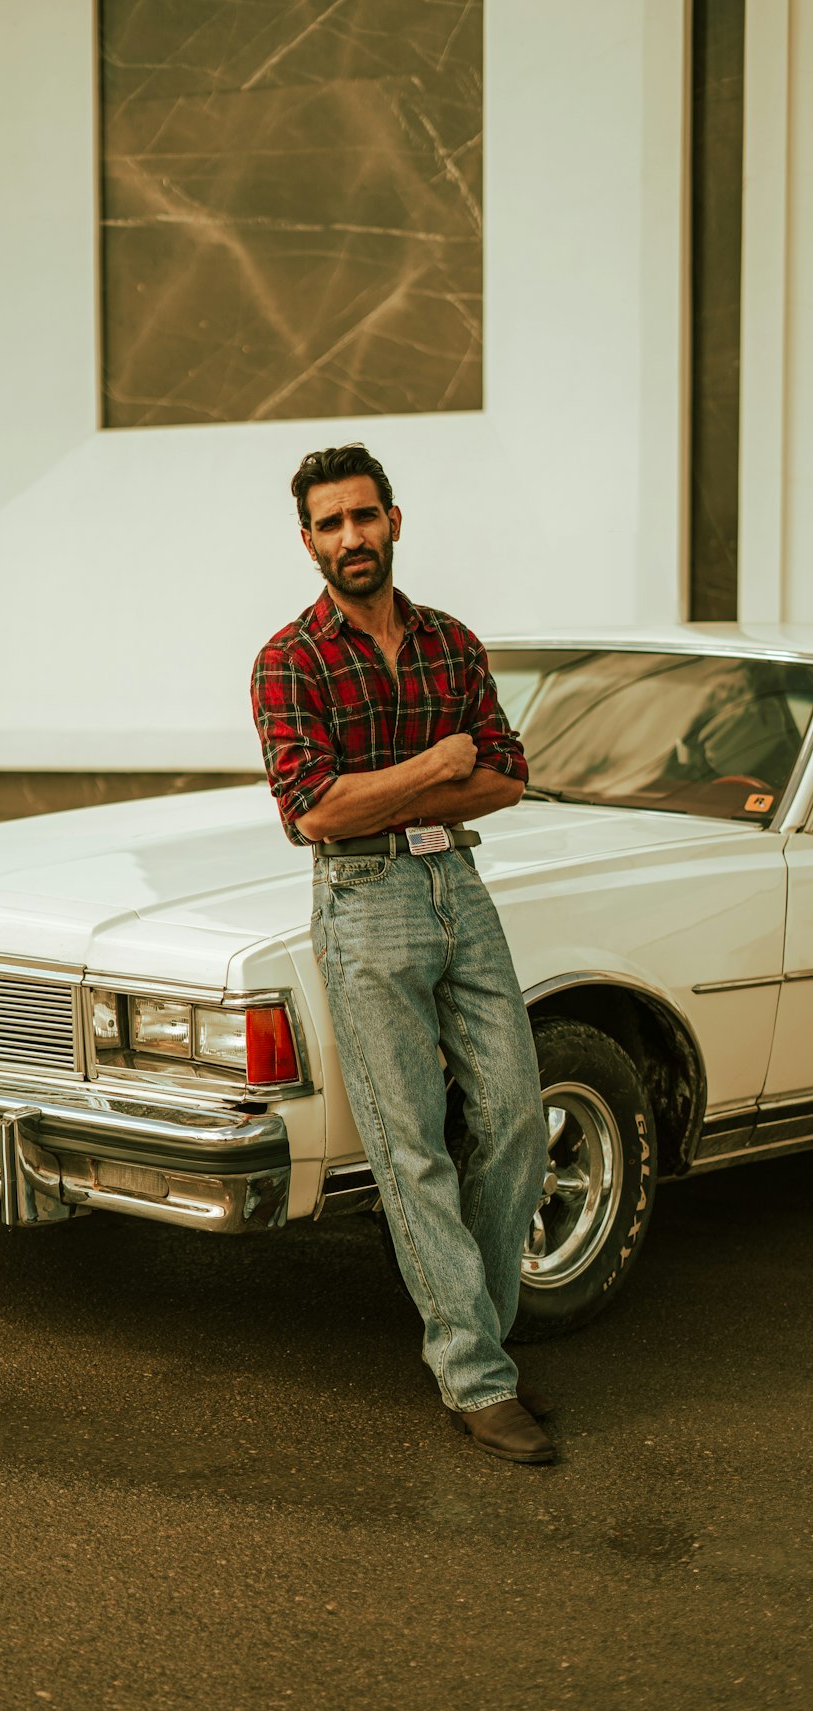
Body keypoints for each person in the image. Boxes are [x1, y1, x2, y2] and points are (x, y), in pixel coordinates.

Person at [250, 443, 554, 1465]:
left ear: (393, 519)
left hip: (457, 884)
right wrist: (432, 764)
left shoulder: (450, 642)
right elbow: (312, 811)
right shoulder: (287, 661)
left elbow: (506, 777)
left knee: (513, 1111)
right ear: (307, 542)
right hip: (365, 899)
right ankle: (475, 1373)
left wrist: (384, 792)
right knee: (408, 1141)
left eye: (363, 517)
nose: (351, 538)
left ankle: (474, 1328)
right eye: (329, 524)